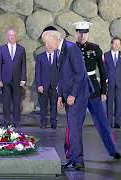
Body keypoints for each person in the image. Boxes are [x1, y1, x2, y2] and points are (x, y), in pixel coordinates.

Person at [63, 21, 121, 162]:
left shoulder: (95, 49)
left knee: (103, 122)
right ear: (76, 33)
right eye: (80, 32)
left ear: (88, 33)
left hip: (93, 90)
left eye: (85, 33)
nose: (82, 35)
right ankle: (70, 154)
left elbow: (103, 71)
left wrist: (104, 91)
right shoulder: (68, 49)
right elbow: (65, 73)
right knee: (73, 125)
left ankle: (113, 150)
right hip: (76, 92)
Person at [41, 27, 93, 170]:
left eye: (47, 42)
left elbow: (80, 73)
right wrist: (60, 96)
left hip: (78, 96)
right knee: (71, 129)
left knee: (74, 128)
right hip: (68, 95)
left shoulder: (71, 48)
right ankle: (72, 159)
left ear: (55, 38)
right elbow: (61, 76)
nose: (46, 45)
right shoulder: (60, 50)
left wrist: (72, 95)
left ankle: (78, 162)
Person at [0, 28, 26, 128]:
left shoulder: (21, 49)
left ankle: (16, 122)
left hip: (17, 80)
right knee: (6, 101)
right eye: (10, 35)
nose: (12, 37)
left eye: (13, 35)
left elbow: (23, 65)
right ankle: (6, 121)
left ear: (16, 36)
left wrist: (23, 78)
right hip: (5, 79)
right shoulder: (2, 49)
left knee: (17, 101)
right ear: (7, 36)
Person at [35, 27, 58, 129]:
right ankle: (43, 123)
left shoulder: (59, 56)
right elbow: (38, 72)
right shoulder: (40, 57)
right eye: (46, 44)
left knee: (54, 106)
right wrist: (39, 84)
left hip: (55, 85)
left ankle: (54, 123)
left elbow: (62, 72)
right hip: (43, 86)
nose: (48, 46)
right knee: (43, 106)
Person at [104, 37, 121, 128]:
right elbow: (103, 69)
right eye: (115, 43)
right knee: (109, 104)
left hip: (120, 83)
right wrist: (104, 81)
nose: (117, 45)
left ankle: (118, 123)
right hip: (109, 84)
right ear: (111, 44)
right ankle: (109, 123)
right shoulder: (106, 55)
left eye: (118, 44)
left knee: (119, 104)